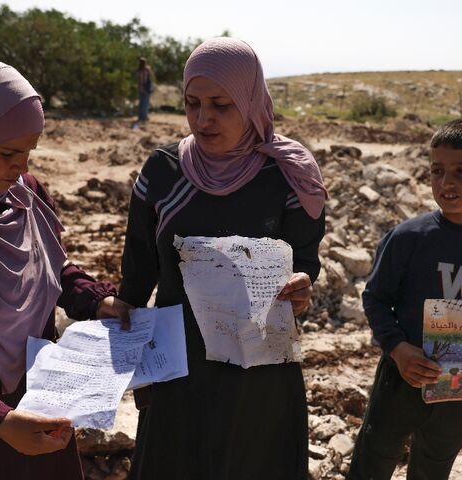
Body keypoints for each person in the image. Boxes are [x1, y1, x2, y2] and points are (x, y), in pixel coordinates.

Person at [120, 37, 326, 480]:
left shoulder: (287, 176)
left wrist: (302, 286)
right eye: (192, 103)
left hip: (258, 370)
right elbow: (136, 272)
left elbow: (305, 260)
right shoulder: (163, 172)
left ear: (250, 101)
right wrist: (133, 356)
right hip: (179, 367)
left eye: (220, 105)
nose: (202, 118)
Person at [0, 58, 132, 479]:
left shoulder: (24, 194)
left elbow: (52, 263)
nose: (22, 168)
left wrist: (96, 299)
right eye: (7, 153)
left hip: (39, 405)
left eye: (29, 153)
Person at [348, 119, 462, 480]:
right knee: (373, 458)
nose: (447, 183)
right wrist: (399, 350)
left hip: (456, 394)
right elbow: (376, 299)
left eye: (460, 171)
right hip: (402, 379)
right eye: (437, 171)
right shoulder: (409, 238)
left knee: (434, 465)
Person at [132, 57, 152, 128]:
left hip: (140, 89)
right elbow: (149, 77)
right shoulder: (146, 70)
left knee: (141, 103)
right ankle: (144, 117)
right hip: (146, 88)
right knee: (145, 103)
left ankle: (140, 117)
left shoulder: (138, 71)